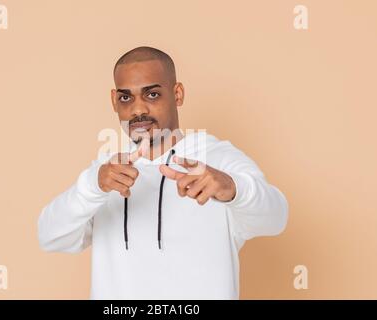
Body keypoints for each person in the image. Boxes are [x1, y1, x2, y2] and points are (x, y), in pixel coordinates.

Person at [37, 46, 288, 299]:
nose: (138, 110)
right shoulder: (106, 173)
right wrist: (93, 186)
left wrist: (233, 189)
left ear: (177, 94)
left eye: (152, 94)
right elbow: (50, 237)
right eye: (126, 98)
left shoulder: (217, 158)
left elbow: (276, 219)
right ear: (114, 101)